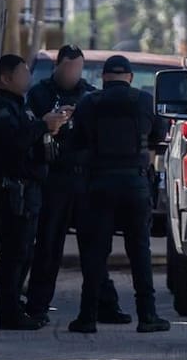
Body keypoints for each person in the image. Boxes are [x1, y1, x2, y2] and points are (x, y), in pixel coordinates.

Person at [24, 45, 129, 326]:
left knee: (93, 247)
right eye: (69, 68)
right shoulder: (39, 94)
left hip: (85, 178)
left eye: (78, 68)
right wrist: (53, 121)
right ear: (58, 66)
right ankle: (37, 307)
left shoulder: (90, 95)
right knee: (48, 245)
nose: (73, 74)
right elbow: (31, 130)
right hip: (55, 177)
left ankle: (105, 305)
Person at [66, 55, 171, 334]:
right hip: (134, 186)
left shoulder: (89, 102)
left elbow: (74, 143)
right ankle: (147, 316)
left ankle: (87, 317)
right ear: (130, 77)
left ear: (103, 77)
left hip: (98, 185)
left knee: (95, 254)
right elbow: (159, 134)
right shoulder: (143, 101)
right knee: (139, 252)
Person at [0, 54, 69, 330]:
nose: (27, 77)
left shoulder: (22, 108)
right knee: (14, 254)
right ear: (6, 78)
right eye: (22, 73)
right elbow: (14, 143)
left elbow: (33, 142)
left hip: (30, 190)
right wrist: (43, 125)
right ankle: (10, 314)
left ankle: (18, 309)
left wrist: (52, 126)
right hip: (12, 190)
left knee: (26, 252)